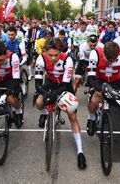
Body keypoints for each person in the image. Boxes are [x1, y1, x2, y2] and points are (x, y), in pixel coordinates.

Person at [34, 37, 86, 169]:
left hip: (64, 85)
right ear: (45, 52)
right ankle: (44, 113)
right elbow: (38, 84)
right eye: (50, 55)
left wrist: (55, 95)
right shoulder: (41, 58)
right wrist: (46, 94)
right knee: (39, 102)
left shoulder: (68, 60)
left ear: (60, 52)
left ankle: (80, 151)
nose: (52, 58)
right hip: (50, 82)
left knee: (72, 117)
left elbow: (64, 84)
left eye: (56, 55)